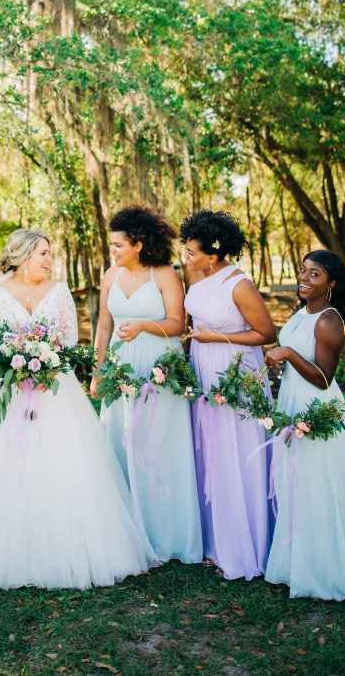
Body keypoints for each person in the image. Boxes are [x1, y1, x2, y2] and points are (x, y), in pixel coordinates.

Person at [0, 228, 156, 593]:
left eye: (50, 254)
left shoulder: (60, 291)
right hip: (5, 386)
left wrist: (47, 363)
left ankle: (66, 545)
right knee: (6, 466)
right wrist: (13, 369)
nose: (49, 260)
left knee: (62, 462)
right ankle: (8, 549)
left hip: (54, 389)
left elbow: (69, 339)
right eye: (42, 254)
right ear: (21, 256)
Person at [94, 204, 202, 564]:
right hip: (120, 365)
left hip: (158, 363)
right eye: (111, 245)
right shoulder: (110, 275)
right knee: (120, 440)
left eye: (118, 245)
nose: (113, 250)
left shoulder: (165, 275)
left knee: (157, 443)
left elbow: (177, 323)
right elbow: (104, 327)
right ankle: (126, 531)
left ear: (138, 244)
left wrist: (142, 326)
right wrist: (97, 371)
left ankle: (164, 532)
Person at [265, 250, 345, 601]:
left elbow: (323, 378)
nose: (304, 278)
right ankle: (293, 563)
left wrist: (289, 354)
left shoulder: (328, 321)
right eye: (303, 270)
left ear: (332, 283)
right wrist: (280, 363)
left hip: (317, 410)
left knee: (315, 485)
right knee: (295, 482)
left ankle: (321, 570)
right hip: (293, 403)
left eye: (315, 274)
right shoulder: (300, 313)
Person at [181, 210, 276, 580]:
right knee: (212, 450)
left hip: (235, 368)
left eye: (192, 252)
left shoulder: (240, 284)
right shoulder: (198, 277)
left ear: (214, 254)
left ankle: (244, 543)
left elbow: (265, 332)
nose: (186, 257)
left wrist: (217, 337)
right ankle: (215, 540)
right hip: (205, 366)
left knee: (237, 450)